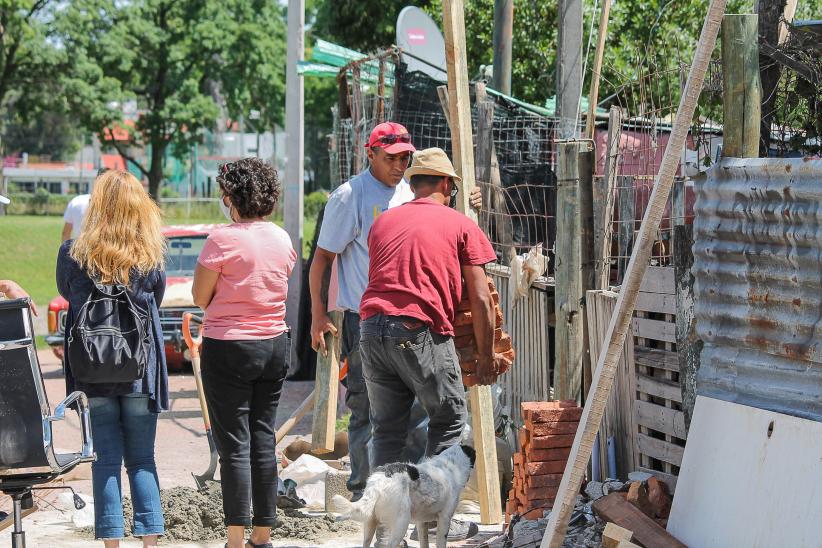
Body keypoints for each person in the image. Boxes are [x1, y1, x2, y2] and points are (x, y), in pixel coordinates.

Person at [308, 122, 482, 508]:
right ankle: (363, 491)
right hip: (362, 316)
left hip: (412, 317)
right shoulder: (349, 196)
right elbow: (322, 259)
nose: (399, 165)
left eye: (405, 157)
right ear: (369, 154)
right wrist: (319, 314)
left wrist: (460, 199)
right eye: (391, 158)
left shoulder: (412, 190)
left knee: (417, 414)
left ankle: (409, 497)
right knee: (365, 408)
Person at [359, 147, 509, 465]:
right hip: (418, 327)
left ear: (414, 186)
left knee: (386, 430)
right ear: (446, 185)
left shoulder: (382, 223)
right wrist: (485, 357)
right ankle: (431, 515)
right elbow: (482, 299)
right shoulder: (462, 225)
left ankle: (382, 513)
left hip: (371, 328)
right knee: (449, 418)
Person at [56, 170, 167, 547]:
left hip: (92, 370)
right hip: (139, 372)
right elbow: (157, 300)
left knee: (105, 460)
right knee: (141, 460)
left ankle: (111, 544)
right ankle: (150, 542)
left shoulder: (72, 255)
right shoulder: (150, 256)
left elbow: (69, 296)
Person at [192, 158, 296, 548]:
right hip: (274, 343)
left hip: (230, 345)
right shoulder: (282, 238)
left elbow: (201, 297)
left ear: (232, 196)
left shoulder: (222, 239)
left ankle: (235, 539)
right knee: (263, 439)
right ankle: (262, 536)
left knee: (233, 444)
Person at [61, 168, 108, 242]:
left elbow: (65, 233)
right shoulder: (117, 206)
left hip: (77, 249)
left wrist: (65, 252)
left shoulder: (76, 201)